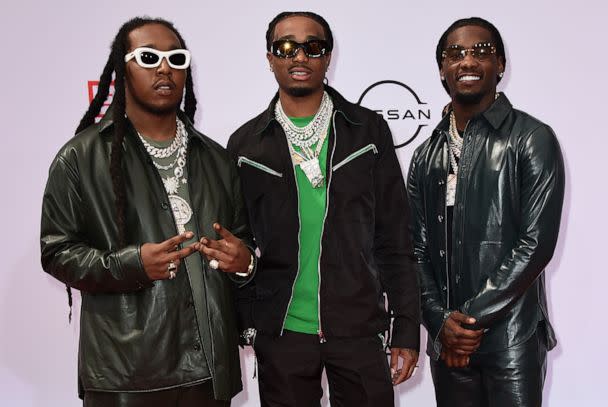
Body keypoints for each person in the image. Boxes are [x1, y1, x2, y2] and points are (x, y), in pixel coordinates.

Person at [40, 16, 255, 406]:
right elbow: (56, 252)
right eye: (149, 57)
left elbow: (242, 245)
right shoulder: (81, 157)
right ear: (122, 68)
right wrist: (132, 264)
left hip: (210, 371)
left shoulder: (217, 160)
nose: (164, 68)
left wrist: (243, 263)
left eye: (176, 58)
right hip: (127, 374)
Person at [227, 11, 419, 407]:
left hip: (359, 327)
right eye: (286, 47)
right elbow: (239, 243)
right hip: (282, 333)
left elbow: (395, 237)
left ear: (327, 57)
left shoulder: (367, 131)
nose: (300, 56)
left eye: (312, 47)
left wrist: (405, 329)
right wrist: (246, 323)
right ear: (270, 57)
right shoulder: (246, 145)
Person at [407, 16, 565, 406]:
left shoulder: (531, 138)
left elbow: (536, 244)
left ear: (501, 65)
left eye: (481, 52)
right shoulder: (426, 155)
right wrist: (440, 322)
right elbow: (415, 249)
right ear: (442, 69)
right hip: (448, 343)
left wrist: (468, 322)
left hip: (512, 340)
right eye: (455, 53)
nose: (468, 62)